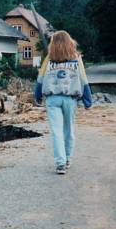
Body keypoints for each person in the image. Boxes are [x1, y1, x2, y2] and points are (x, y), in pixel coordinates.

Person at [33, 31, 92, 174]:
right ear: (70, 42)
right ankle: (67, 159)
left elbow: (40, 79)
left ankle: (60, 164)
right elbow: (83, 80)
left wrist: (37, 96)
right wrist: (87, 100)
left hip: (52, 99)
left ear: (53, 44)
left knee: (56, 131)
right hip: (70, 99)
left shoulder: (49, 59)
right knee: (69, 130)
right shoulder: (76, 58)